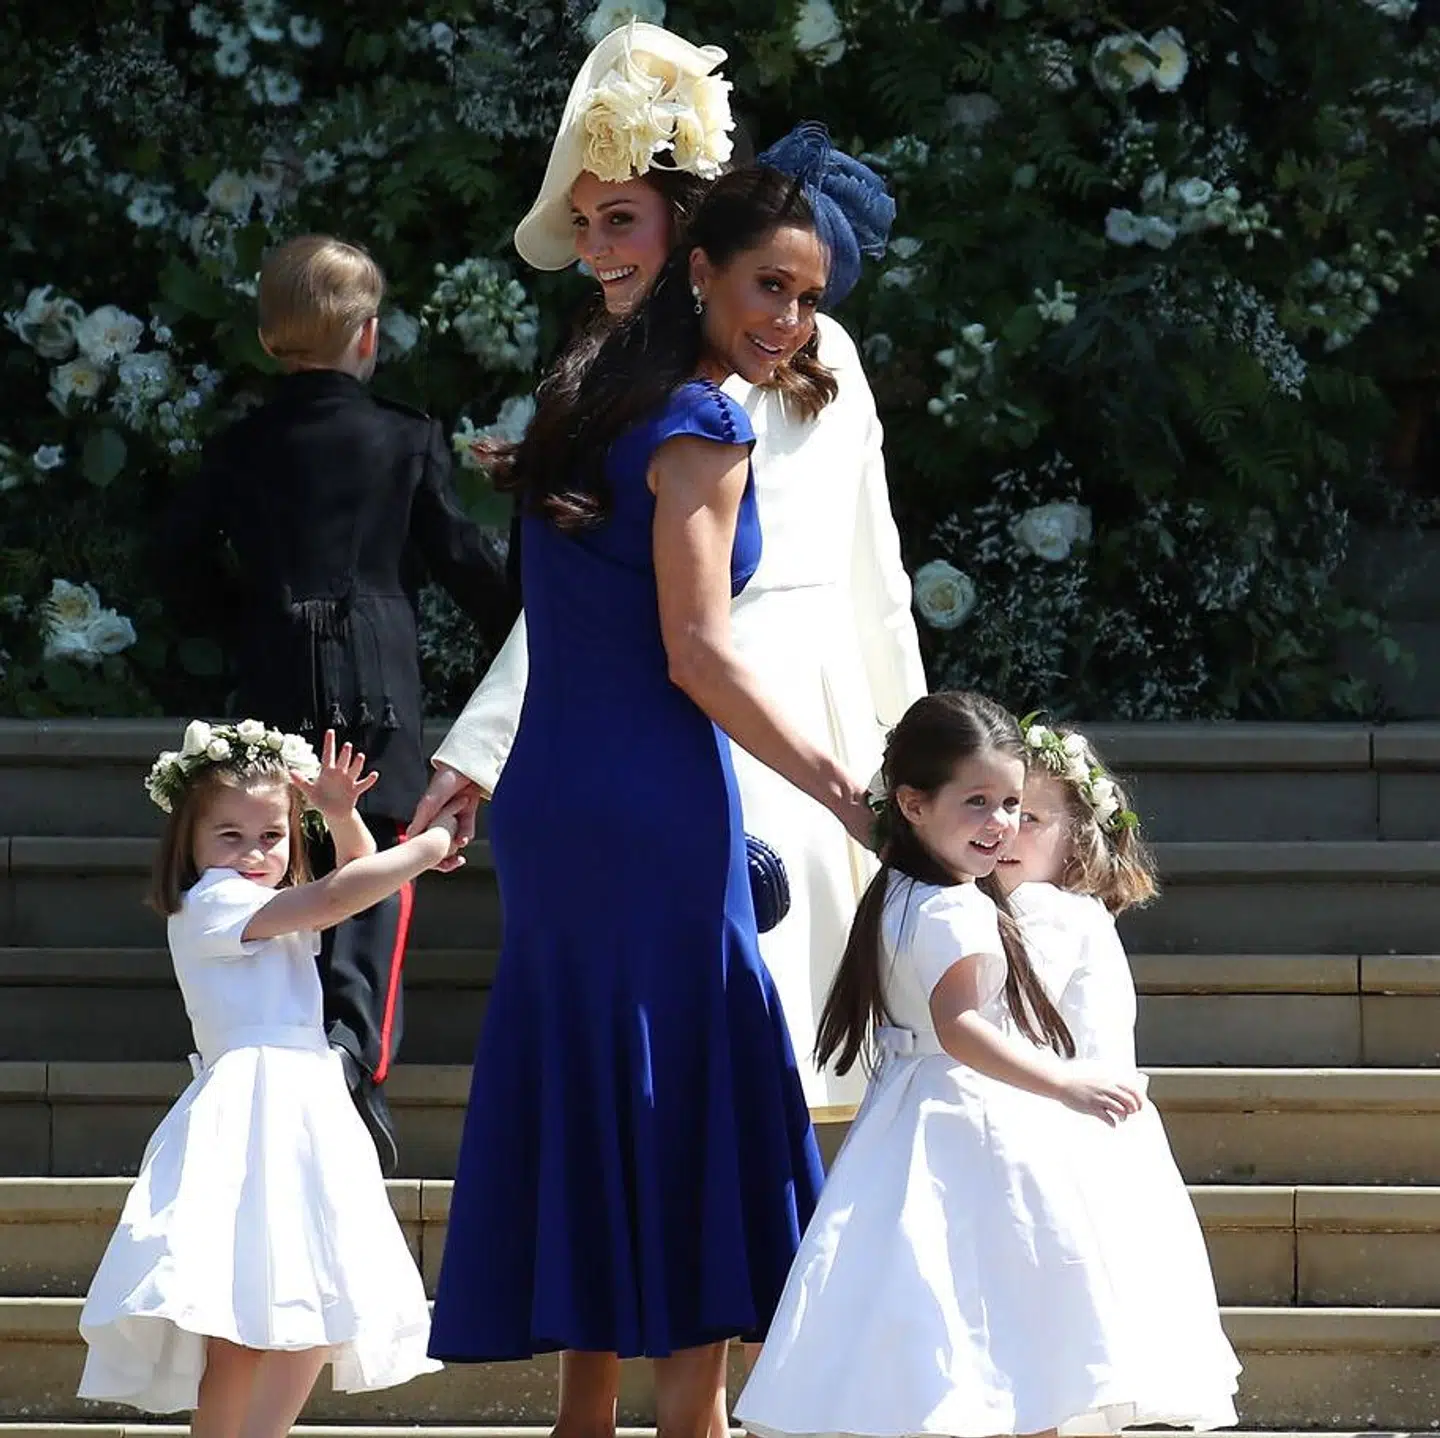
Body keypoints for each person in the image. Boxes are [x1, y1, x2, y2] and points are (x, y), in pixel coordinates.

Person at [426, 133, 890, 1438]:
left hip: (560, 794)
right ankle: (693, 1424)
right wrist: (849, 790)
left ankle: (590, 1416)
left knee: (600, 1079)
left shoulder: (588, 394)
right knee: (693, 1087)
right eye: (771, 290)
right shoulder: (697, 419)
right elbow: (696, 651)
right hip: (646, 796)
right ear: (702, 274)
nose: (792, 324)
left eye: (810, 300)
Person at [413, 24, 927, 1107]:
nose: (598, 249)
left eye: (620, 219)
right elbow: (593, 588)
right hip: (686, 713)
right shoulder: (624, 376)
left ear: (687, 231)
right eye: (585, 222)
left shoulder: (760, 352)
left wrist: (906, 756)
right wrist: (482, 749)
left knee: (757, 1056)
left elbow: (871, 575)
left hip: (757, 716)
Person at [735, 691, 1238, 1438]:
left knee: (940, 1319)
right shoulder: (959, 907)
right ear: (911, 804)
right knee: (1015, 1334)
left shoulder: (901, 887)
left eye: (1015, 807)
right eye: (981, 803)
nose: (1001, 826)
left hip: (911, 1120)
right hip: (971, 1124)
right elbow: (961, 1027)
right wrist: (1066, 1079)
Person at [162, 235, 516, 1174]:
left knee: (278, 863)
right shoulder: (405, 435)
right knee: (374, 876)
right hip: (379, 685)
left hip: (275, 674)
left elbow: (174, 565)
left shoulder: (238, 443)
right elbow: (463, 565)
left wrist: (239, 618)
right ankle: (354, 1060)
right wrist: (532, 629)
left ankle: (289, 1056)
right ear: (367, 334)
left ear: (271, 336)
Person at [77, 722, 466, 1434]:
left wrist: (341, 813)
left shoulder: (265, 904)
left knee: (316, 1299)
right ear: (189, 845)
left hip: (304, 1107)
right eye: (230, 836)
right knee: (238, 1318)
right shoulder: (214, 905)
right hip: (252, 1113)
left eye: (273, 836)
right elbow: (341, 896)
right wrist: (433, 845)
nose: (255, 854)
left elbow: (356, 877)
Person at [994, 719, 1242, 1424]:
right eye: (999, 808)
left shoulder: (1045, 912)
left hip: (1058, 1139)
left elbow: (1000, 1017)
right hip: (1090, 1139)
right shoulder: (1070, 910)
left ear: (1077, 836)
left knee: (1044, 1345)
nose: (1007, 832)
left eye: (1031, 817)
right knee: (1065, 1356)